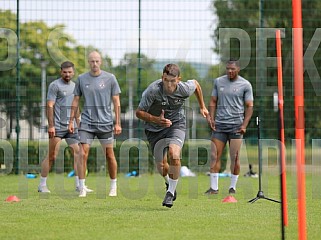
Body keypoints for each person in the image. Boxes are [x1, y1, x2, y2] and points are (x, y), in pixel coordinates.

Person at [136, 63, 209, 208]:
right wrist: (156, 120)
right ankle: (169, 183)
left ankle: (170, 193)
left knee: (174, 154)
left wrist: (202, 106)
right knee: (162, 167)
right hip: (154, 129)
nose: (169, 85)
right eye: (165, 80)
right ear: (162, 77)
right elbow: (139, 112)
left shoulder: (184, 88)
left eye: (172, 81)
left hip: (176, 124)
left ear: (178, 79)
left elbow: (196, 84)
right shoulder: (152, 91)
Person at [68, 51, 122, 198]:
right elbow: (75, 101)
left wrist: (118, 123)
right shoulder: (81, 79)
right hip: (87, 123)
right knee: (82, 153)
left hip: (105, 123)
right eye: (92, 61)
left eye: (97, 61)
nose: (94, 64)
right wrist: (71, 121)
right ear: (88, 62)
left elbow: (116, 101)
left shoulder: (110, 78)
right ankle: (82, 187)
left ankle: (113, 186)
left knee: (109, 155)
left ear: (101, 62)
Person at [38, 61, 89, 193]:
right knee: (52, 156)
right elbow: (49, 105)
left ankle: (80, 185)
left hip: (71, 128)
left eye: (70, 72)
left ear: (73, 72)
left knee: (79, 153)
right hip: (57, 127)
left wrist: (79, 124)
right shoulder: (54, 86)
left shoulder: (76, 86)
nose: (67, 74)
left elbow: (75, 107)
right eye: (65, 72)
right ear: (61, 71)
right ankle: (42, 185)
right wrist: (51, 126)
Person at [204, 59, 253, 195]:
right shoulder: (218, 82)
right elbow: (213, 101)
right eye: (227, 69)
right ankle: (214, 188)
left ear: (238, 69)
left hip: (236, 127)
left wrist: (244, 125)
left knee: (235, 158)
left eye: (232, 69)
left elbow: (249, 106)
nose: (230, 71)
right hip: (219, 126)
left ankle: (233, 187)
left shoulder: (245, 84)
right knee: (214, 156)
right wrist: (211, 118)